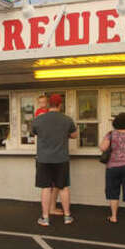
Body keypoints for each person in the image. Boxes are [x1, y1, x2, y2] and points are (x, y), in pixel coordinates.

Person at [31, 93, 77, 226]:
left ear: (48, 104)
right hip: (61, 159)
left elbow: (34, 133)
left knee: (45, 188)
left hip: (43, 159)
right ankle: (67, 217)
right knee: (63, 188)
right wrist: (64, 134)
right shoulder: (67, 119)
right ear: (60, 105)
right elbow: (74, 135)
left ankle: (45, 218)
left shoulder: (38, 119)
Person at [99, 112, 125, 225]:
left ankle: (114, 217)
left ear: (115, 123)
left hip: (113, 167)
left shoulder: (111, 134)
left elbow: (103, 148)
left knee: (113, 192)